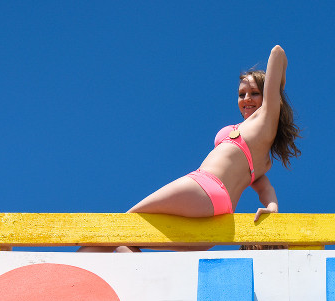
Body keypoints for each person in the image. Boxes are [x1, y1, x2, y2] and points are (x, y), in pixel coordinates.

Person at [81, 45, 300, 252]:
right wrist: (272, 206)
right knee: (129, 239)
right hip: (217, 210)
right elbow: (264, 188)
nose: (246, 99)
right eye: (241, 94)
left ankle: (68, 272)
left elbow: (277, 52)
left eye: (254, 92)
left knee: (123, 225)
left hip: (204, 187)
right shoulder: (260, 153)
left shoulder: (266, 119)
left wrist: (276, 90)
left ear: (268, 95)